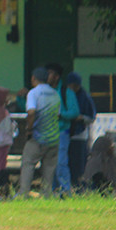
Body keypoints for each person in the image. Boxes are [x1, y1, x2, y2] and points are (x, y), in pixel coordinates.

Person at [18, 67, 61, 197]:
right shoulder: (55, 94)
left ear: (33, 78)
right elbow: (57, 115)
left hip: (37, 137)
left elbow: (31, 112)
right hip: (54, 138)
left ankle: (23, 193)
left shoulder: (33, 93)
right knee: (49, 168)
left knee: (28, 164)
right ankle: (47, 194)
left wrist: (29, 129)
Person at [46, 63, 79, 194]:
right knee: (49, 164)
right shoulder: (44, 91)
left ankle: (65, 190)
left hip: (61, 132)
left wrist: (61, 115)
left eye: (49, 73)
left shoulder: (67, 92)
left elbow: (74, 112)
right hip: (47, 133)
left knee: (60, 163)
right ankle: (52, 190)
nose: (46, 76)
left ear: (56, 76)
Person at [66, 72, 97, 188]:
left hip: (80, 135)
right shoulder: (66, 95)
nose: (73, 88)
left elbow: (91, 117)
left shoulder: (84, 97)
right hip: (66, 134)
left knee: (79, 164)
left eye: (75, 85)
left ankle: (80, 187)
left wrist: (81, 118)